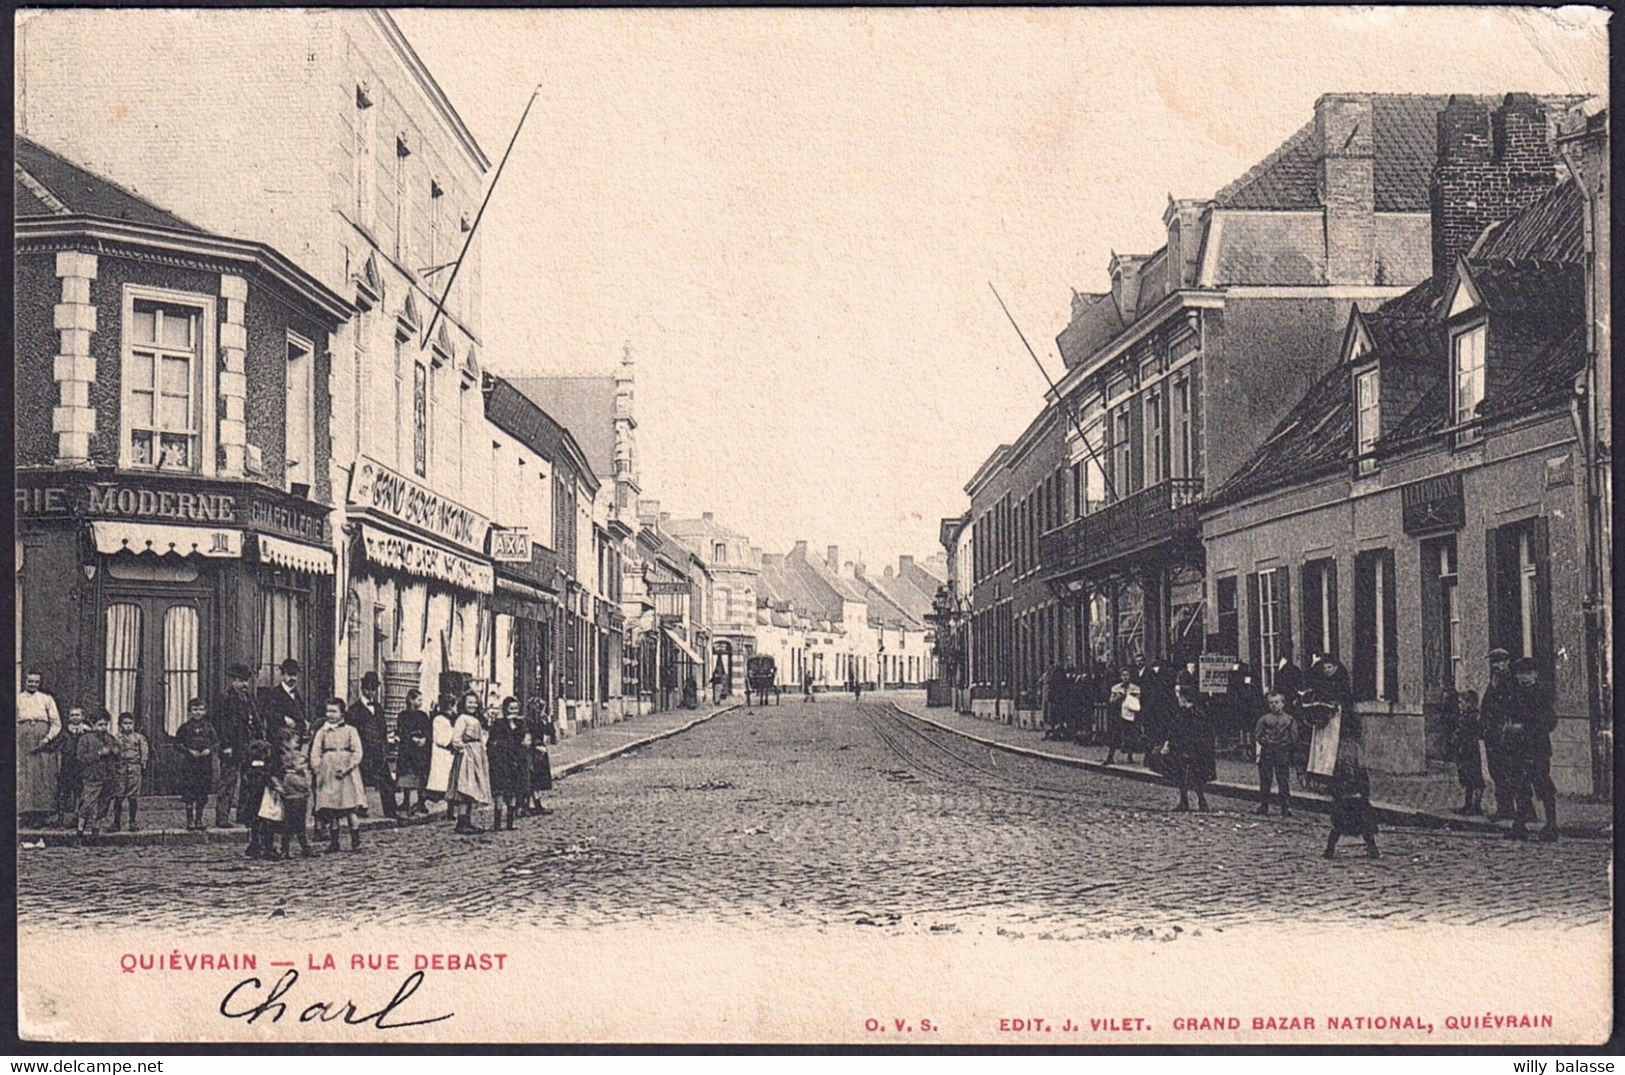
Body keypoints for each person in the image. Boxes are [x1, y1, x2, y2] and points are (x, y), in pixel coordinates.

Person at [1505, 657, 1559, 842]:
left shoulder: (1542, 693)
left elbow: (1550, 722)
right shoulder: (1514, 692)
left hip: (1537, 748)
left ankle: (1551, 825)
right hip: (1518, 748)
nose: (1523, 677)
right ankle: (1520, 825)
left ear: (1535, 674)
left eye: (1527, 673)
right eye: (1520, 673)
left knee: (1543, 786)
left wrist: (1525, 727)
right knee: (1520, 786)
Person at [309, 698, 365, 851]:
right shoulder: (322, 731)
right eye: (328, 711)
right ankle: (334, 842)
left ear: (342, 713)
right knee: (332, 808)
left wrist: (349, 767)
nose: (330, 715)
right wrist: (317, 768)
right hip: (328, 772)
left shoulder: (350, 731)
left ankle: (356, 840)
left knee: (349, 807)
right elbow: (315, 752)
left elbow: (357, 751)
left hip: (347, 773)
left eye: (334, 711)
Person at [214, 663, 259, 829]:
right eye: (241, 681)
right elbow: (220, 724)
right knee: (228, 783)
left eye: (246, 681)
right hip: (231, 747)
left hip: (248, 746)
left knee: (247, 782)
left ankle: (244, 816)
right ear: (233, 681)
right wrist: (225, 745)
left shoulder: (249, 698)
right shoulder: (225, 698)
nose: (244, 685)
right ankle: (222, 817)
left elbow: (255, 720)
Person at [349, 672, 399, 820]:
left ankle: (390, 812)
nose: (371, 692)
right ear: (362, 689)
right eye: (368, 688)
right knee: (360, 782)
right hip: (363, 752)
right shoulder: (354, 710)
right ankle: (360, 809)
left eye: (373, 688)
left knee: (387, 782)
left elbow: (382, 729)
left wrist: (385, 744)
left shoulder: (378, 708)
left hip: (378, 752)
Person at [16, 671, 62, 826]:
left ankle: (42, 814)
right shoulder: (18, 698)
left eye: (36, 682)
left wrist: (47, 738)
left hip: (42, 741)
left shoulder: (46, 699)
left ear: (39, 683)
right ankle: (24, 813)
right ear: (25, 681)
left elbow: (56, 723)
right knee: (24, 775)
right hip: (22, 741)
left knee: (43, 775)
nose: (33, 684)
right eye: (30, 681)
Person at [1299, 656, 1351, 791]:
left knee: (1331, 748)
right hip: (1323, 718)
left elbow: (1345, 701)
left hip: (1335, 718)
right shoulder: (1322, 682)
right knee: (1320, 746)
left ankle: (1332, 777)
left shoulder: (1341, 682)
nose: (1327, 670)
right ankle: (1322, 775)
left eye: (1330, 667)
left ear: (1336, 667)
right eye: (1325, 668)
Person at [1479, 649, 1519, 821]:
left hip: (1505, 733)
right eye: (1494, 662)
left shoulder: (1512, 682)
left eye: (1500, 661)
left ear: (1507, 661)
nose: (1496, 665)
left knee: (1509, 772)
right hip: (1493, 734)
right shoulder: (1493, 681)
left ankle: (1519, 810)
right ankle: (1504, 808)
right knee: (1496, 772)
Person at [447, 691, 492, 835]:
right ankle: (461, 822)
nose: (472, 705)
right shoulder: (462, 719)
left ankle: (468, 821)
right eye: (469, 702)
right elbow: (455, 739)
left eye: (474, 702)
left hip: (476, 757)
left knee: (473, 789)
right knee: (464, 788)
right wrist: (464, 749)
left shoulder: (476, 719)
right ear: (463, 704)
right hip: (466, 757)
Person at [1166, 679, 1215, 812]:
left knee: (1184, 776)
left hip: (1187, 748)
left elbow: (1179, 731)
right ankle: (1199, 802)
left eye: (1180, 696)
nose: (1178, 699)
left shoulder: (1186, 714)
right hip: (1193, 749)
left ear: (1185, 698)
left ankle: (1187, 802)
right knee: (1194, 777)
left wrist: (1171, 744)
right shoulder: (1197, 713)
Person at [75, 709, 119, 842]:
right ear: (92, 725)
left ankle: (96, 830)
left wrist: (116, 752)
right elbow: (81, 757)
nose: (103, 728)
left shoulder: (110, 738)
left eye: (105, 725)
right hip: (92, 776)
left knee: (104, 803)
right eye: (100, 725)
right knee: (87, 803)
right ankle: (80, 831)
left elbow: (118, 755)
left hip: (108, 776)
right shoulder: (85, 739)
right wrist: (99, 753)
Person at [1323, 756, 1380, 859]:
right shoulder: (1339, 769)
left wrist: (1362, 795)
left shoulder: (1360, 770)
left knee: (1365, 827)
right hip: (1345, 803)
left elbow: (1365, 786)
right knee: (1339, 827)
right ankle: (1329, 850)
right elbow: (1333, 787)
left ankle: (1373, 849)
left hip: (1357, 803)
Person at [488, 697, 531, 831]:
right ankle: (497, 824)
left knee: (513, 792)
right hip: (501, 762)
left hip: (515, 762)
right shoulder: (498, 724)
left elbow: (524, 740)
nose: (514, 711)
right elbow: (492, 742)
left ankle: (510, 823)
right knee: (500, 793)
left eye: (516, 708)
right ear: (505, 709)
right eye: (511, 709)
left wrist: (526, 741)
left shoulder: (521, 724)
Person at [173, 699, 217, 830]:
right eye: (195, 710)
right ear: (189, 712)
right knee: (189, 792)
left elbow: (216, 743)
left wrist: (209, 750)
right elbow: (177, 744)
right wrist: (188, 751)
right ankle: (190, 820)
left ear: (205, 711)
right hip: (190, 765)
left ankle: (199, 819)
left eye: (200, 709)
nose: (198, 712)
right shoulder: (185, 727)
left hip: (204, 765)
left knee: (202, 792)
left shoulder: (209, 727)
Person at [1254, 691, 1296, 817]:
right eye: (1271, 703)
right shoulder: (1264, 720)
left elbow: (1293, 737)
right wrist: (1266, 742)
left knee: (1283, 780)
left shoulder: (1289, 720)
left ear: (1283, 704)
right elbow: (1258, 735)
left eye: (1277, 702)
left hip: (1282, 752)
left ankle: (1285, 807)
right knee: (1265, 779)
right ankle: (1264, 805)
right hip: (1267, 751)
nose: (1274, 705)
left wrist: (1286, 746)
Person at [1446, 688, 1486, 816]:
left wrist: (1461, 739)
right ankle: (1468, 804)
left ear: (1470, 703)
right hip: (1463, 751)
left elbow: (1476, 733)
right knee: (1466, 778)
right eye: (1459, 703)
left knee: (1475, 778)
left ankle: (1476, 806)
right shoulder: (1463, 716)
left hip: (1471, 750)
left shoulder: (1474, 716)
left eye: (1462, 702)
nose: (1460, 705)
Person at [274, 733, 315, 859]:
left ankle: (289, 848)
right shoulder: (292, 769)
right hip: (295, 796)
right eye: (294, 741)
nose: (297, 744)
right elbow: (304, 783)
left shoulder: (292, 759)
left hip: (297, 796)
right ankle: (296, 848)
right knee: (295, 823)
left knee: (293, 823)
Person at [395, 689, 433, 816]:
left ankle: (421, 802)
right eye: (419, 699)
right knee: (407, 775)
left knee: (420, 776)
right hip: (408, 750)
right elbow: (402, 730)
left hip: (421, 751)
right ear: (411, 700)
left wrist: (425, 739)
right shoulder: (403, 715)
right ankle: (406, 801)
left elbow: (428, 730)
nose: (421, 702)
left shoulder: (423, 715)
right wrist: (413, 738)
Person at [51, 707, 91, 829]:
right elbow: (56, 747)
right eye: (72, 715)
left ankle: (78, 818)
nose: (75, 717)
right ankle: (61, 818)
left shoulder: (87, 733)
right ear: (69, 718)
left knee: (80, 793)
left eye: (77, 715)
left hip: (81, 768)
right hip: (67, 767)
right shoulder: (64, 733)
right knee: (64, 793)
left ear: (82, 717)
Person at [238, 738, 278, 860]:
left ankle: (260, 844)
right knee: (261, 819)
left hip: (258, 792)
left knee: (260, 819)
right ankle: (262, 845)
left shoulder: (254, 764)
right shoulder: (253, 764)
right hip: (256, 793)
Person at [110, 712, 149, 832]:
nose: (128, 726)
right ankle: (116, 822)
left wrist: (143, 761)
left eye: (130, 723)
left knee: (133, 796)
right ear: (120, 725)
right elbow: (112, 751)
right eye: (125, 723)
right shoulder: (116, 738)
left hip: (134, 767)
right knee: (119, 796)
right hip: (120, 768)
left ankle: (132, 822)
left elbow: (144, 750)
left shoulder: (139, 737)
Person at [263, 658, 308, 745]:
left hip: (297, 739)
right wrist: (284, 719)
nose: (292, 678)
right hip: (280, 740)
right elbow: (270, 714)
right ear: (282, 675)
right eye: (289, 675)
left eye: (295, 675)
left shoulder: (297, 695)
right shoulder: (273, 694)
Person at [526, 697, 559, 816]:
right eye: (540, 709)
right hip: (532, 754)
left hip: (540, 753)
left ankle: (534, 805)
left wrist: (548, 721)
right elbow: (528, 737)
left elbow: (551, 734)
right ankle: (531, 805)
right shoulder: (529, 722)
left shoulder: (541, 721)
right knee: (532, 780)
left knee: (536, 781)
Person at [428, 698, 458, 820]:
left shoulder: (451, 720)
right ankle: (421, 803)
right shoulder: (439, 720)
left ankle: (450, 812)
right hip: (442, 755)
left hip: (449, 755)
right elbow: (441, 739)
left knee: (450, 785)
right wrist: (452, 741)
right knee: (441, 786)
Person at [1103, 668, 1140, 765]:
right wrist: (1119, 697)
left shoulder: (1135, 688)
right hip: (1118, 715)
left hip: (1130, 714)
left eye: (1127, 675)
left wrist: (1130, 697)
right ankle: (1110, 756)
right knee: (1115, 736)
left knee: (1130, 735)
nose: (1125, 677)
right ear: (1120, 677)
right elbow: (1111, 701)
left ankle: (1130, 756)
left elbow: (1137, 701)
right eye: (1123, 675)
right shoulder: (1116, 688)